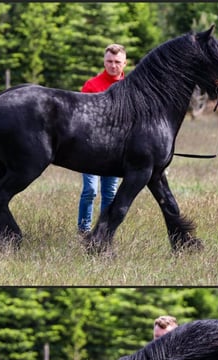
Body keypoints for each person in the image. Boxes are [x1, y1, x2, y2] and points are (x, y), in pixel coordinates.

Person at [77, 44, 127, 234]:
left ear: (124, 63)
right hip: (90, 148)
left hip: (116, 150)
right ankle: (83, 229)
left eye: (117, 62)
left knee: (110, 193)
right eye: (109, 61)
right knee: (90, 190)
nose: (113, 66)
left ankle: (103, 231)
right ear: (104, 61)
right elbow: (80, 117)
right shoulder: (92, 85)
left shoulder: (130, 86)